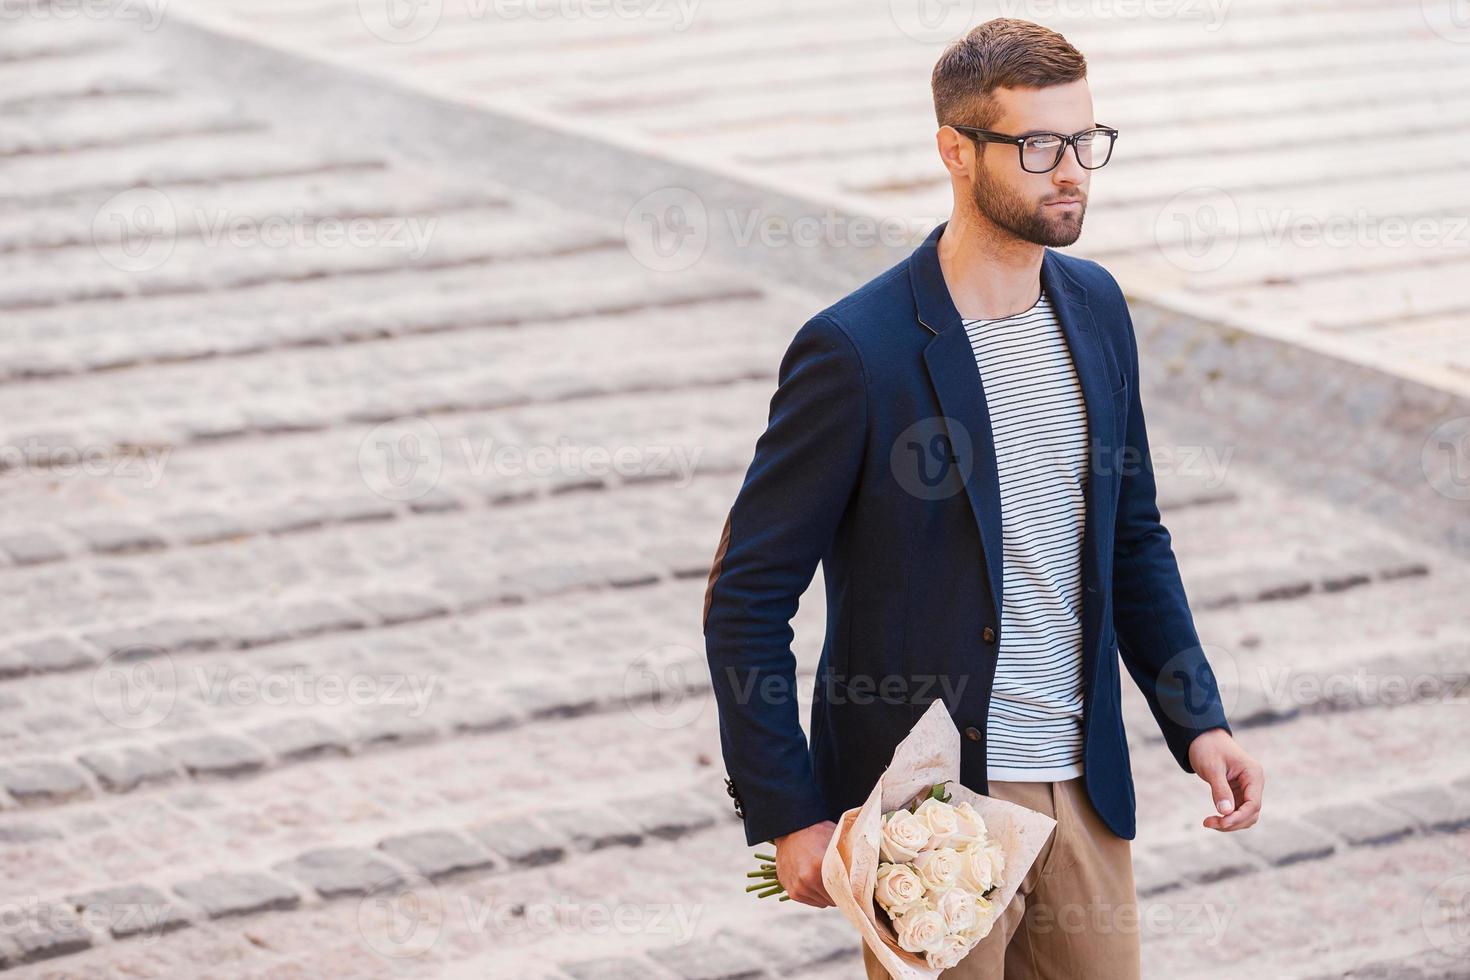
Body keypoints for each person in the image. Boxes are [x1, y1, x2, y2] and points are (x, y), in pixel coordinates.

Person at [701, 17, 1263, 979]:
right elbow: (747, 596)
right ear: (955, 152)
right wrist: (788, 813)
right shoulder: (856, 350)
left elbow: (1132, 537)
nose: (1072, 170)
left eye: (1086, 141)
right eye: (1038, 146)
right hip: (933, 809)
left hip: (1086, 784)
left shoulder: (1096, 307)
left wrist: (1196, 719)